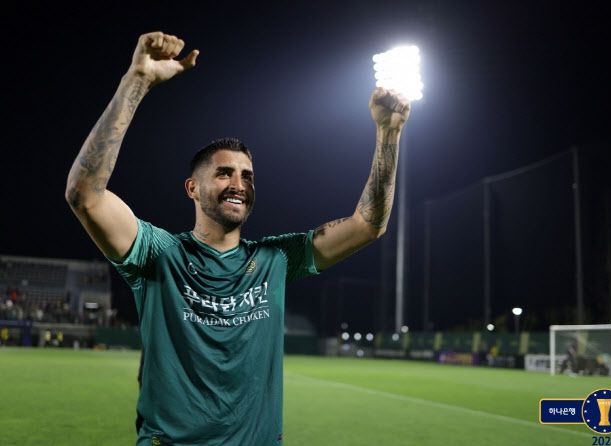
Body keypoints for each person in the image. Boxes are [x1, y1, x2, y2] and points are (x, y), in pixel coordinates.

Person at [65, 32, 410, 446]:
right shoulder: (159, 254)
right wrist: (136, 82)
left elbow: (368, 225)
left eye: (247, 176)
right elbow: (84, 195)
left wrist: (388, 133)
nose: (239, 184)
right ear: (192, 188)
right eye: (224, 173)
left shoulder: (275, 259)